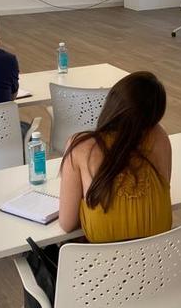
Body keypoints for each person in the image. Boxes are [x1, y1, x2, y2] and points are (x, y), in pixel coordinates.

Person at [58, 72, 172, 244]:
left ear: (112, 103)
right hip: (158, 264)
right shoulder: (159, 138)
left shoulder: (82, 146)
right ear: (156, 115)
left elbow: (67, 224)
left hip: (102, 267)